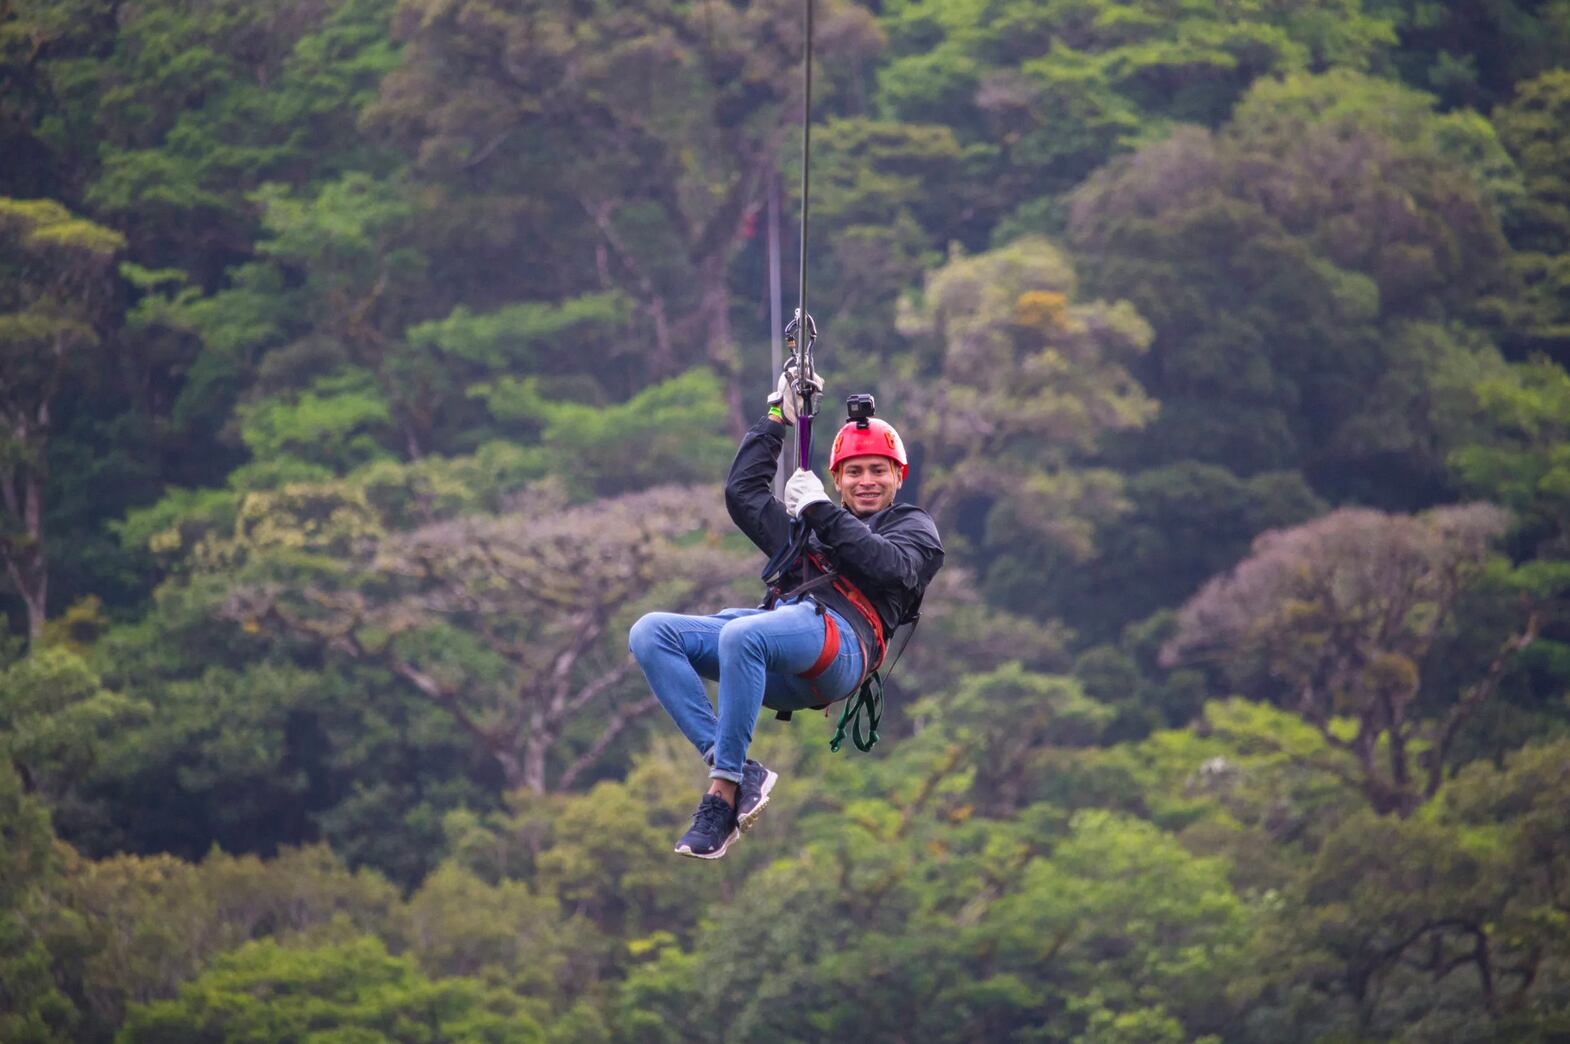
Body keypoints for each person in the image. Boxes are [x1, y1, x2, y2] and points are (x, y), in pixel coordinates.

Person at [627, 368, 944, 859]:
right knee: (651, 634)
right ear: (837, 479)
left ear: (898, 477)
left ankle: (722, 793)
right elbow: (744, 495)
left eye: (879, 471)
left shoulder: (912, 527)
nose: (867, 482)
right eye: (854, 472)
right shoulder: (808, 532)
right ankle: (736, 765)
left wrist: (822, 512)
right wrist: (778, 416)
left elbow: (892, 567)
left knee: (742, 636)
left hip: (842, 645)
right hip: (777, 650)